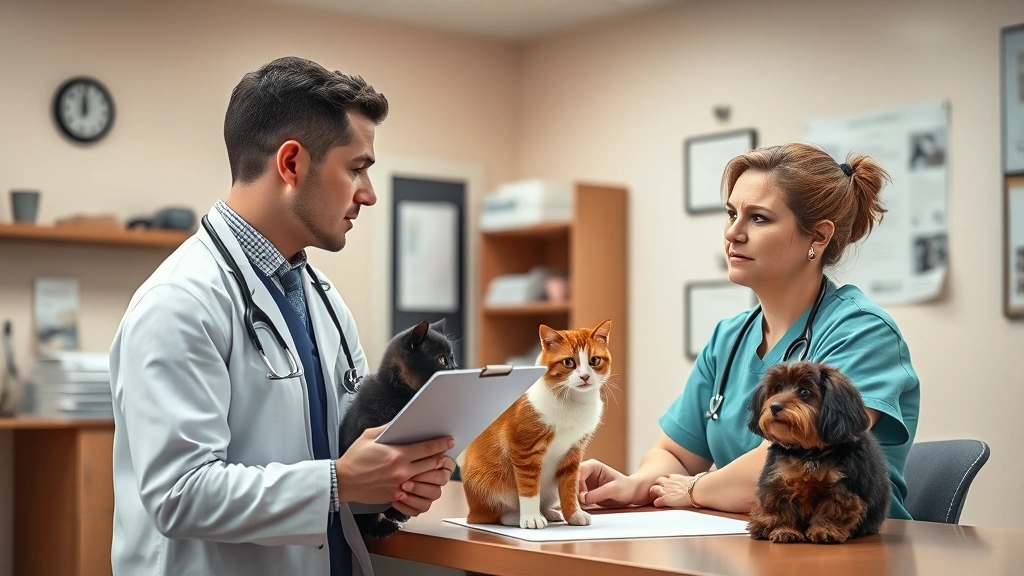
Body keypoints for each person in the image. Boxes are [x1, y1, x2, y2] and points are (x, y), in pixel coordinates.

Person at [108, 56, 455, 576]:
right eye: (357, 167)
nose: (369, 193)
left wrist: (395, 482)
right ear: (291, 163)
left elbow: (340, 461)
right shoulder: (180, 302)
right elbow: (178, 494)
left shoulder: (323, 301)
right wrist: (341, 481)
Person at [578, 143, 920, 519]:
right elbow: (675, 454)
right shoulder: (729, 338)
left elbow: (801, 466)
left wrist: (693, 488)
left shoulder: (862, 332)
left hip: (848, 550)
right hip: (756, 544)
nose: (733, 233)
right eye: (731, 214)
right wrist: (637, 483)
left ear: (818, 237)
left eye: (758, 218)